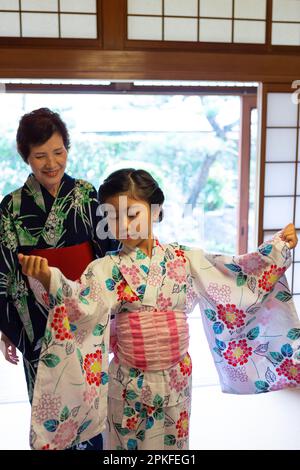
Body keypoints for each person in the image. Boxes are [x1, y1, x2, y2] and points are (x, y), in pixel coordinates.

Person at [19, 168, 300, 450]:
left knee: (173, 448)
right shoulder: (106, 269)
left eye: (132, 215)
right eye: (113, 217)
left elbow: (233, 273)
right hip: (128, 383)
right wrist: (50, 278)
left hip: (176, 377)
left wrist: (275, 250)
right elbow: (81, 305)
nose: (124, 225)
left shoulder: (183, 258)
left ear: (155, 211)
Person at [0, 108, 117, 450]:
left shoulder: (86, 194)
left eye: (58, 152)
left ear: (67, 148)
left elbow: (107, 253)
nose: (51, 163)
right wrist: (7, 328)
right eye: (40, 156)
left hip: (85, 317)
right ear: (26, 157)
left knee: (91, 406)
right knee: (50, 410)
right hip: (38, 322)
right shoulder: (10, 207)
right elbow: (4, 274)